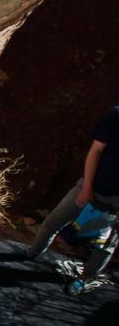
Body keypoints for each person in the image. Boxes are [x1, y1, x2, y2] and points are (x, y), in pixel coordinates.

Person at [28, 104, 119, 295]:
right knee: (54, 221)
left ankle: (85, 278)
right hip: (93, 185)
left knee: (106, 245)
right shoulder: (116, 114)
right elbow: (96, 150)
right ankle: (33, 252)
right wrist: (86, 187)